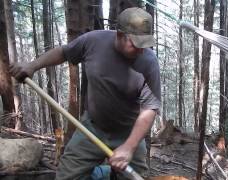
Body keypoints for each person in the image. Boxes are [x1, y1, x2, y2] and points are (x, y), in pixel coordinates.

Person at [10, 7, 161, 180]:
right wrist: (32, 66)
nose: (141, 50)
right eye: (135, 44)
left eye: (145, 44)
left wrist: (130, 147)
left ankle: (110, 173)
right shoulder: (94, 41)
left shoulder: (149, 63)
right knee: (66, 177)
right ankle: (103, 173)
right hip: (92, 127)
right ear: (119, 35)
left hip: (129, 132)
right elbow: (63, 52)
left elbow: (149, 109)